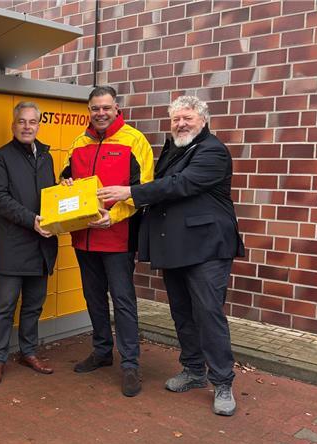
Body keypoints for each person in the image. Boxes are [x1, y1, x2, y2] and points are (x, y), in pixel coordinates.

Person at [98, 95, 245, 415]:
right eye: (176, 118)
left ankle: (222, 381)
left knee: (208, 314)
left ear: (203, 120)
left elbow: (181, 185)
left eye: (187, 118)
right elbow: (162, 187)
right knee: (182, 312)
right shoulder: (175, 149)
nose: (181, 123)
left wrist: (130, 193)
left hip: (207, 249)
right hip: (177, 247)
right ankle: (193, 371)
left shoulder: (212, 151)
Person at [59, 86, 154, 397]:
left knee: (123, 301)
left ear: (116, 108)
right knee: (93, 298)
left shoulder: (134, 140)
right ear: (89, 110)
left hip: (118, 237)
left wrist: (114, 217)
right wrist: (66, 182)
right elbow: (65, 178)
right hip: (83, 237)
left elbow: (144, 190)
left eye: (105, 108)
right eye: (95, 108)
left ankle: (130, 364)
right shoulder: (78, 142)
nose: (100, 113)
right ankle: (101, 352)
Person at [0, 101, 58, 386]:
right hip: (13, 246)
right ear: (13, 125)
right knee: (5, 307)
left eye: (33, 122)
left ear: (39, 124)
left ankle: (28, 352)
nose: (27, 127)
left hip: (42, 246)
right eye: (22, 122)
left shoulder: (46, 157)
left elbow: (49, 195)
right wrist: (32, 220)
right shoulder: (0, 158)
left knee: (33, 306)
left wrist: (66, 192)